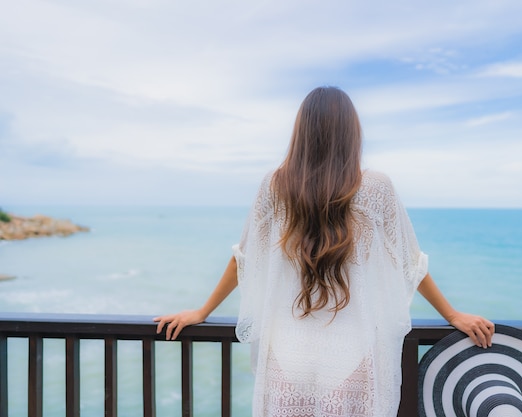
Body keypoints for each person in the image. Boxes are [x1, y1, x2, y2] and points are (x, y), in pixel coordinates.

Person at [154, 86, 494, 417]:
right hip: (353, 355)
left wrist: (202, 311)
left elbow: (244, 260)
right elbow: (409, 265)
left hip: (287, 356)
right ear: (352, 133)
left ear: (301, 132)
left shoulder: (276, 185)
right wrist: (452, 315)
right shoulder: (375, 187)